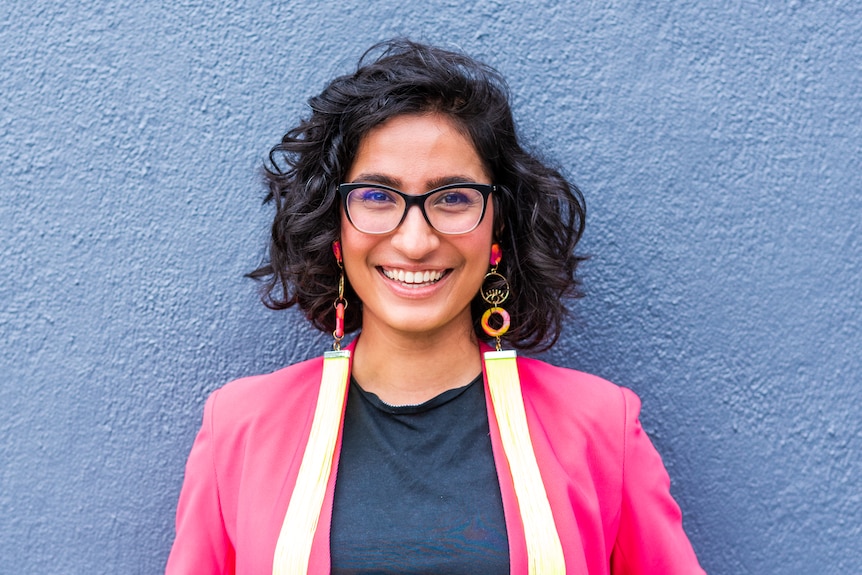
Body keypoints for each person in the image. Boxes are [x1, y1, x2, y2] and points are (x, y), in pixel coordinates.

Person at [166, 39, 705, 575]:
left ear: (498, 231)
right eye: (377, 197)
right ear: (335, 229)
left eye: (453, 198)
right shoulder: (239, 428)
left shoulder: (602, 428)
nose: (416, 241)